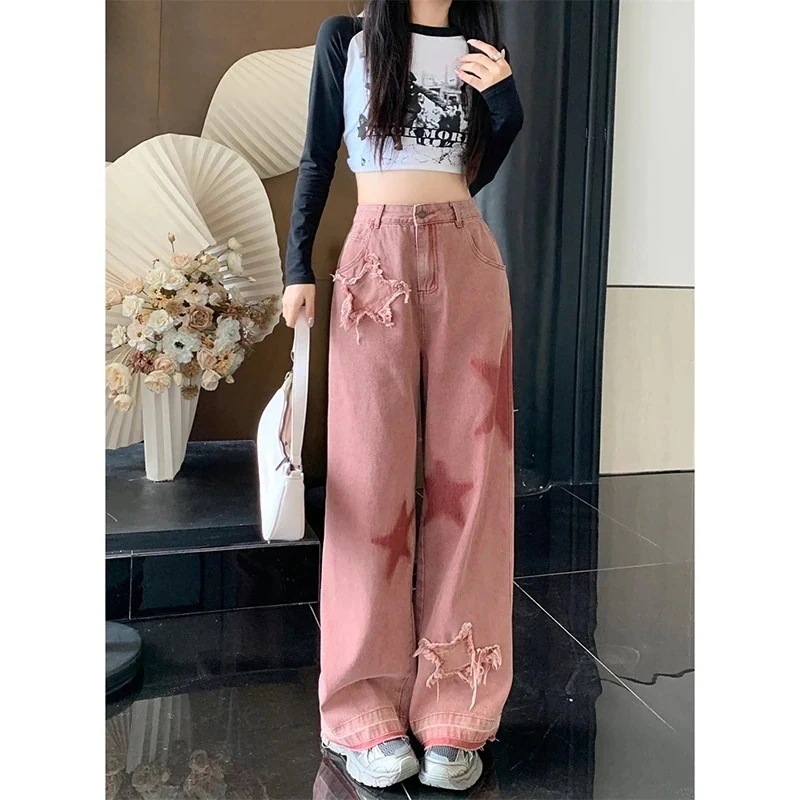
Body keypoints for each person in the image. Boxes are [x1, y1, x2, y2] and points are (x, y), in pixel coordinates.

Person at [281, 0, 523, 791]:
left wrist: (505, 106)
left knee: (473, 484)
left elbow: (478, 167)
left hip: (465, 254)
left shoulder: (479, 45)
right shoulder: (348, 40)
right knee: (368, 476)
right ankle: (362, 710)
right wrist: (297, 267)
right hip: (373, 256)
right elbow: (319, 154)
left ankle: (457, 708)